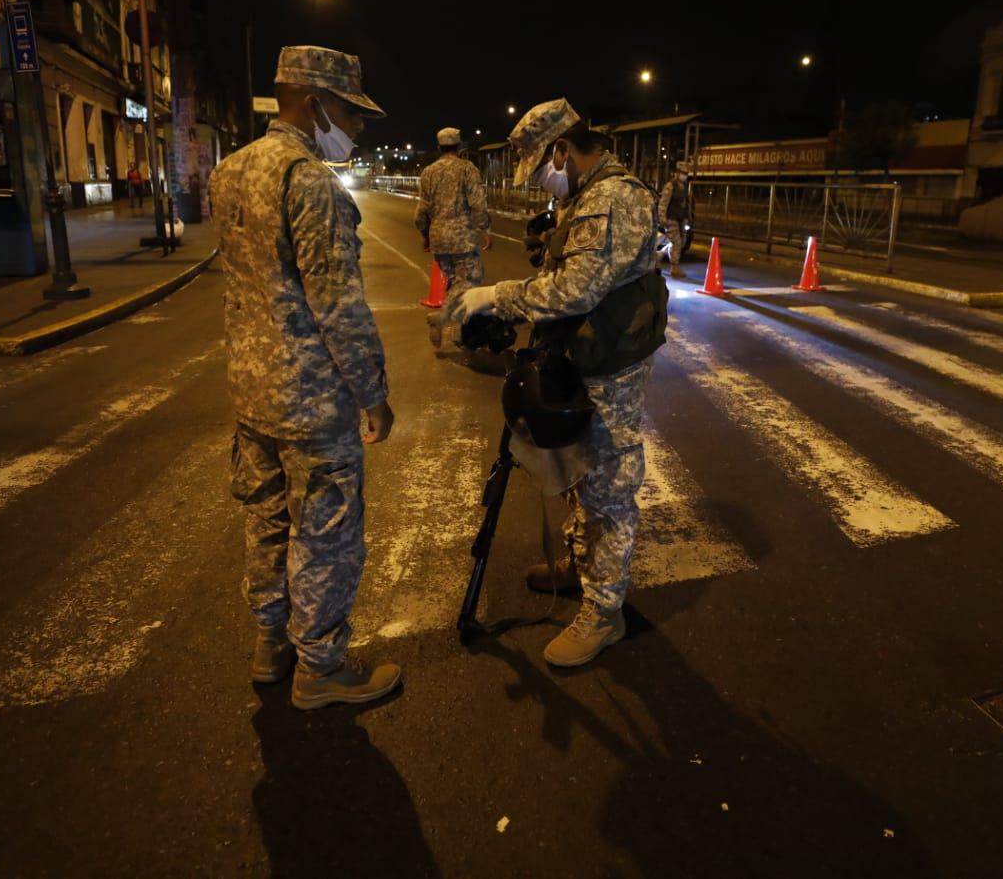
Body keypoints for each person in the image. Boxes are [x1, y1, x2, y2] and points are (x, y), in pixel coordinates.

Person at [208, 45, 401, 711]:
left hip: (251, 391)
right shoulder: (310, 181)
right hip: (312, 399)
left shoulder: (229, 172)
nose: (358, 125)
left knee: (263, 521)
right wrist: (373, 395)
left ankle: (271, 647)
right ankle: (320, 667)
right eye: (351, 110)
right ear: (315, 103)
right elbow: (338, 305)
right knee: (324, 533)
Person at [456, 98, 666, 668]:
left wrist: (498, 296)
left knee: (608, 490)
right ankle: (580, 565)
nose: (547, 183)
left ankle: (605, 614)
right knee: (579, 470)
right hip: (587, 354)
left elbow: (576, 290)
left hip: (612, 367)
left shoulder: (612, 197)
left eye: (545, 168)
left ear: (562, 150)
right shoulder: (585, 196)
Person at [414, 127, 492, 293]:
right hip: (464, 240)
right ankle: (460, 317)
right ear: (459, 147)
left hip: (439, 240)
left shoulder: (428, 172)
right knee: (468, 288)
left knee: (450, 287)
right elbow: (478, 204)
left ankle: (450, 315)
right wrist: (485, 230)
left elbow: (422, 211)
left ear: (439, 148)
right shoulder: (467, 169)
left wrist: (425, 235)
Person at [655, 162, 692, 277]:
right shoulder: (671, 186)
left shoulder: (685, 186)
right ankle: (674, 267)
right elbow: (663, 203)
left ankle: (659, 255)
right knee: (677, 242)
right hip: (671, 218)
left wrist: (688, 218)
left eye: (686, 173)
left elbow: (685, 204)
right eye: (683, 173)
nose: (685, 175)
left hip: (680, 219)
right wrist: (662, 218)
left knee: (680, 243)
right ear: (677, 173)